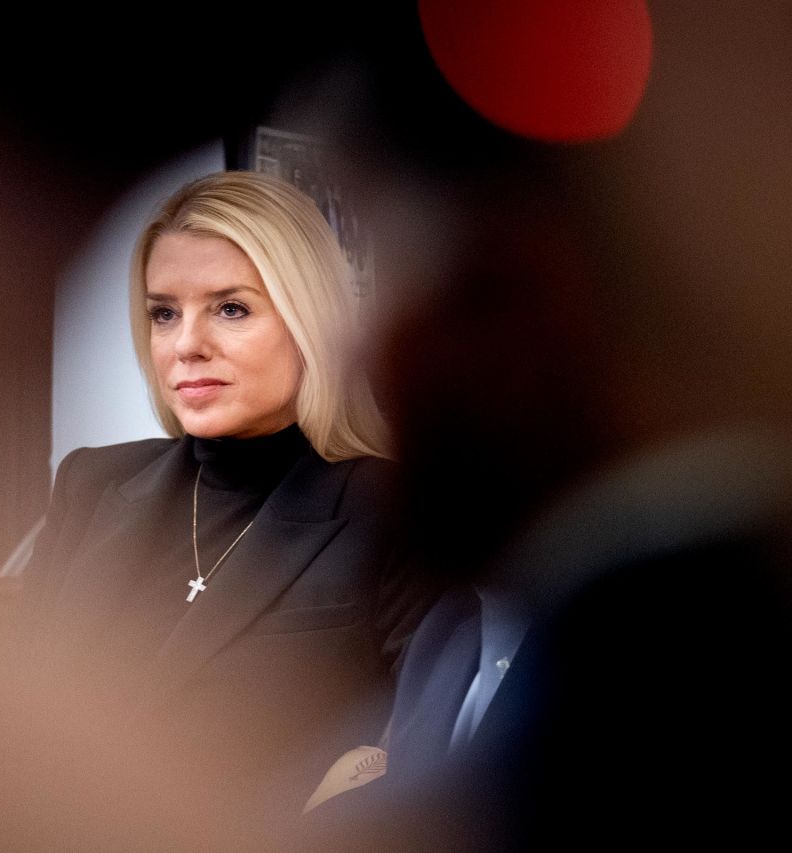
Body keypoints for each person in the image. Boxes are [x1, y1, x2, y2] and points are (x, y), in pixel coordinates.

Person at [295, 3, 792, 850]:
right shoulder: (479, 642)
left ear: (502, 274)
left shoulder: (604, 724)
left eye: (364, 258)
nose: (340, 357)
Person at [0, 169, 436, 832]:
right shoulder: (91, 483)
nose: (186, 345)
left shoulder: (398, 507)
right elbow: (10, 713)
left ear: (307, 320)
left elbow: (419, 765)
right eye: (164, 313)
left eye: (231, 308)